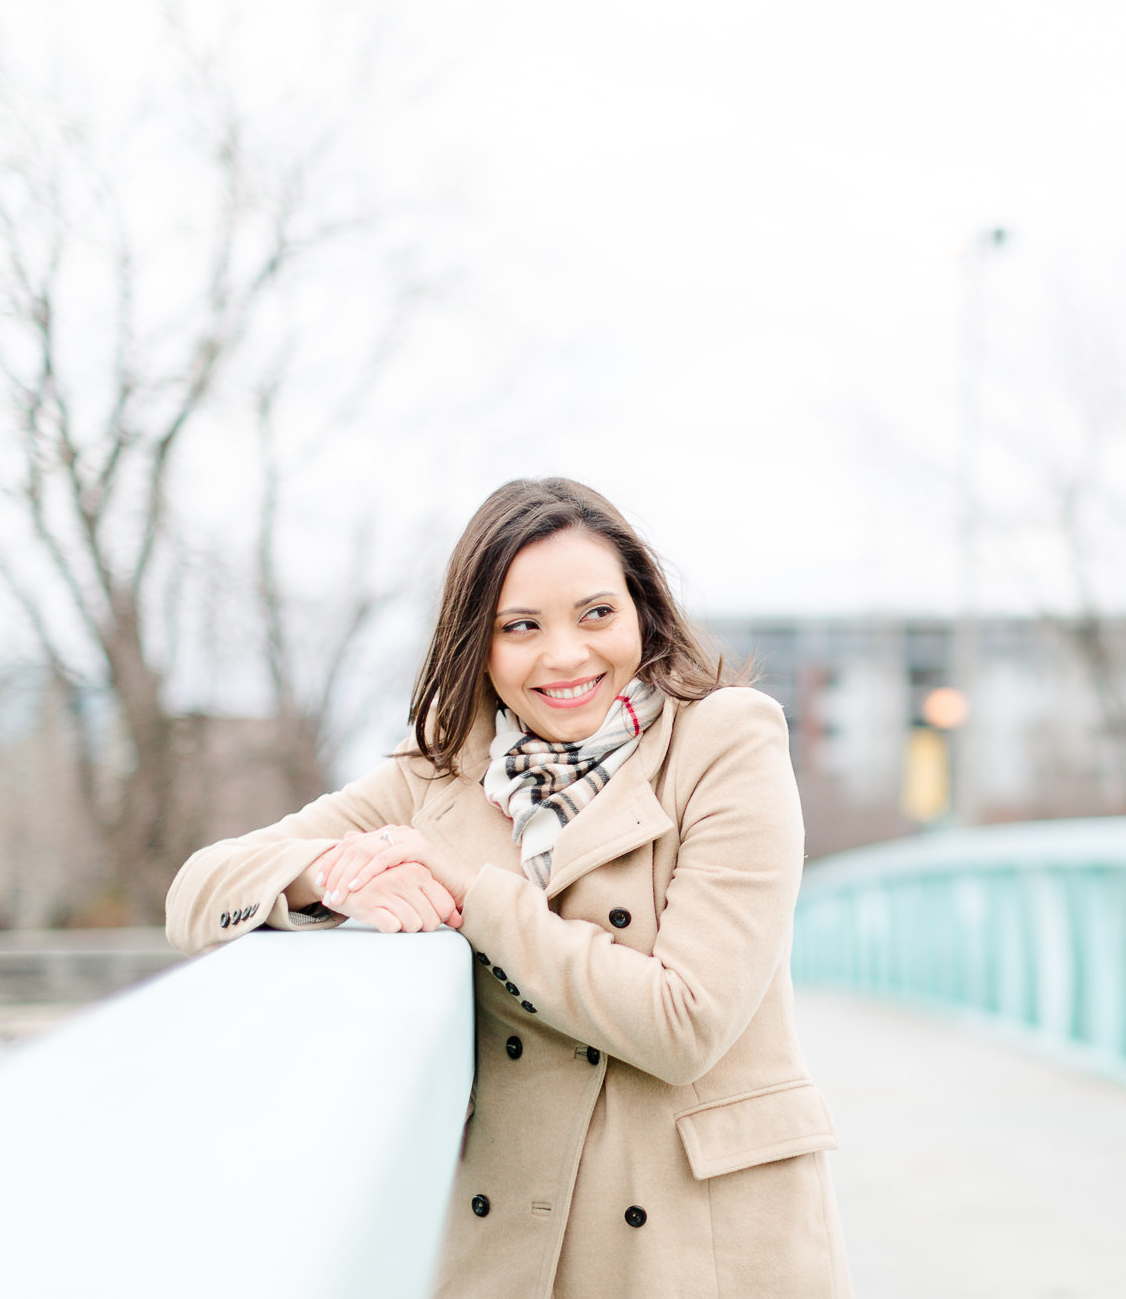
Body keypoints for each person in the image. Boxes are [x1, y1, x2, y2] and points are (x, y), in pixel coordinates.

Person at [165, 477, 852, 1298]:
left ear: (643, 612)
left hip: (699, 1239)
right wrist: (331, 876)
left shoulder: (724, 739)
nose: (565, 655)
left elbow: (685, 1021)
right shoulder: (437, 772)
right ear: (478, 645)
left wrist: (475, 895)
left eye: (596, 613)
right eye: (520, 626)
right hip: (519, 1238)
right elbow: (195, 894)